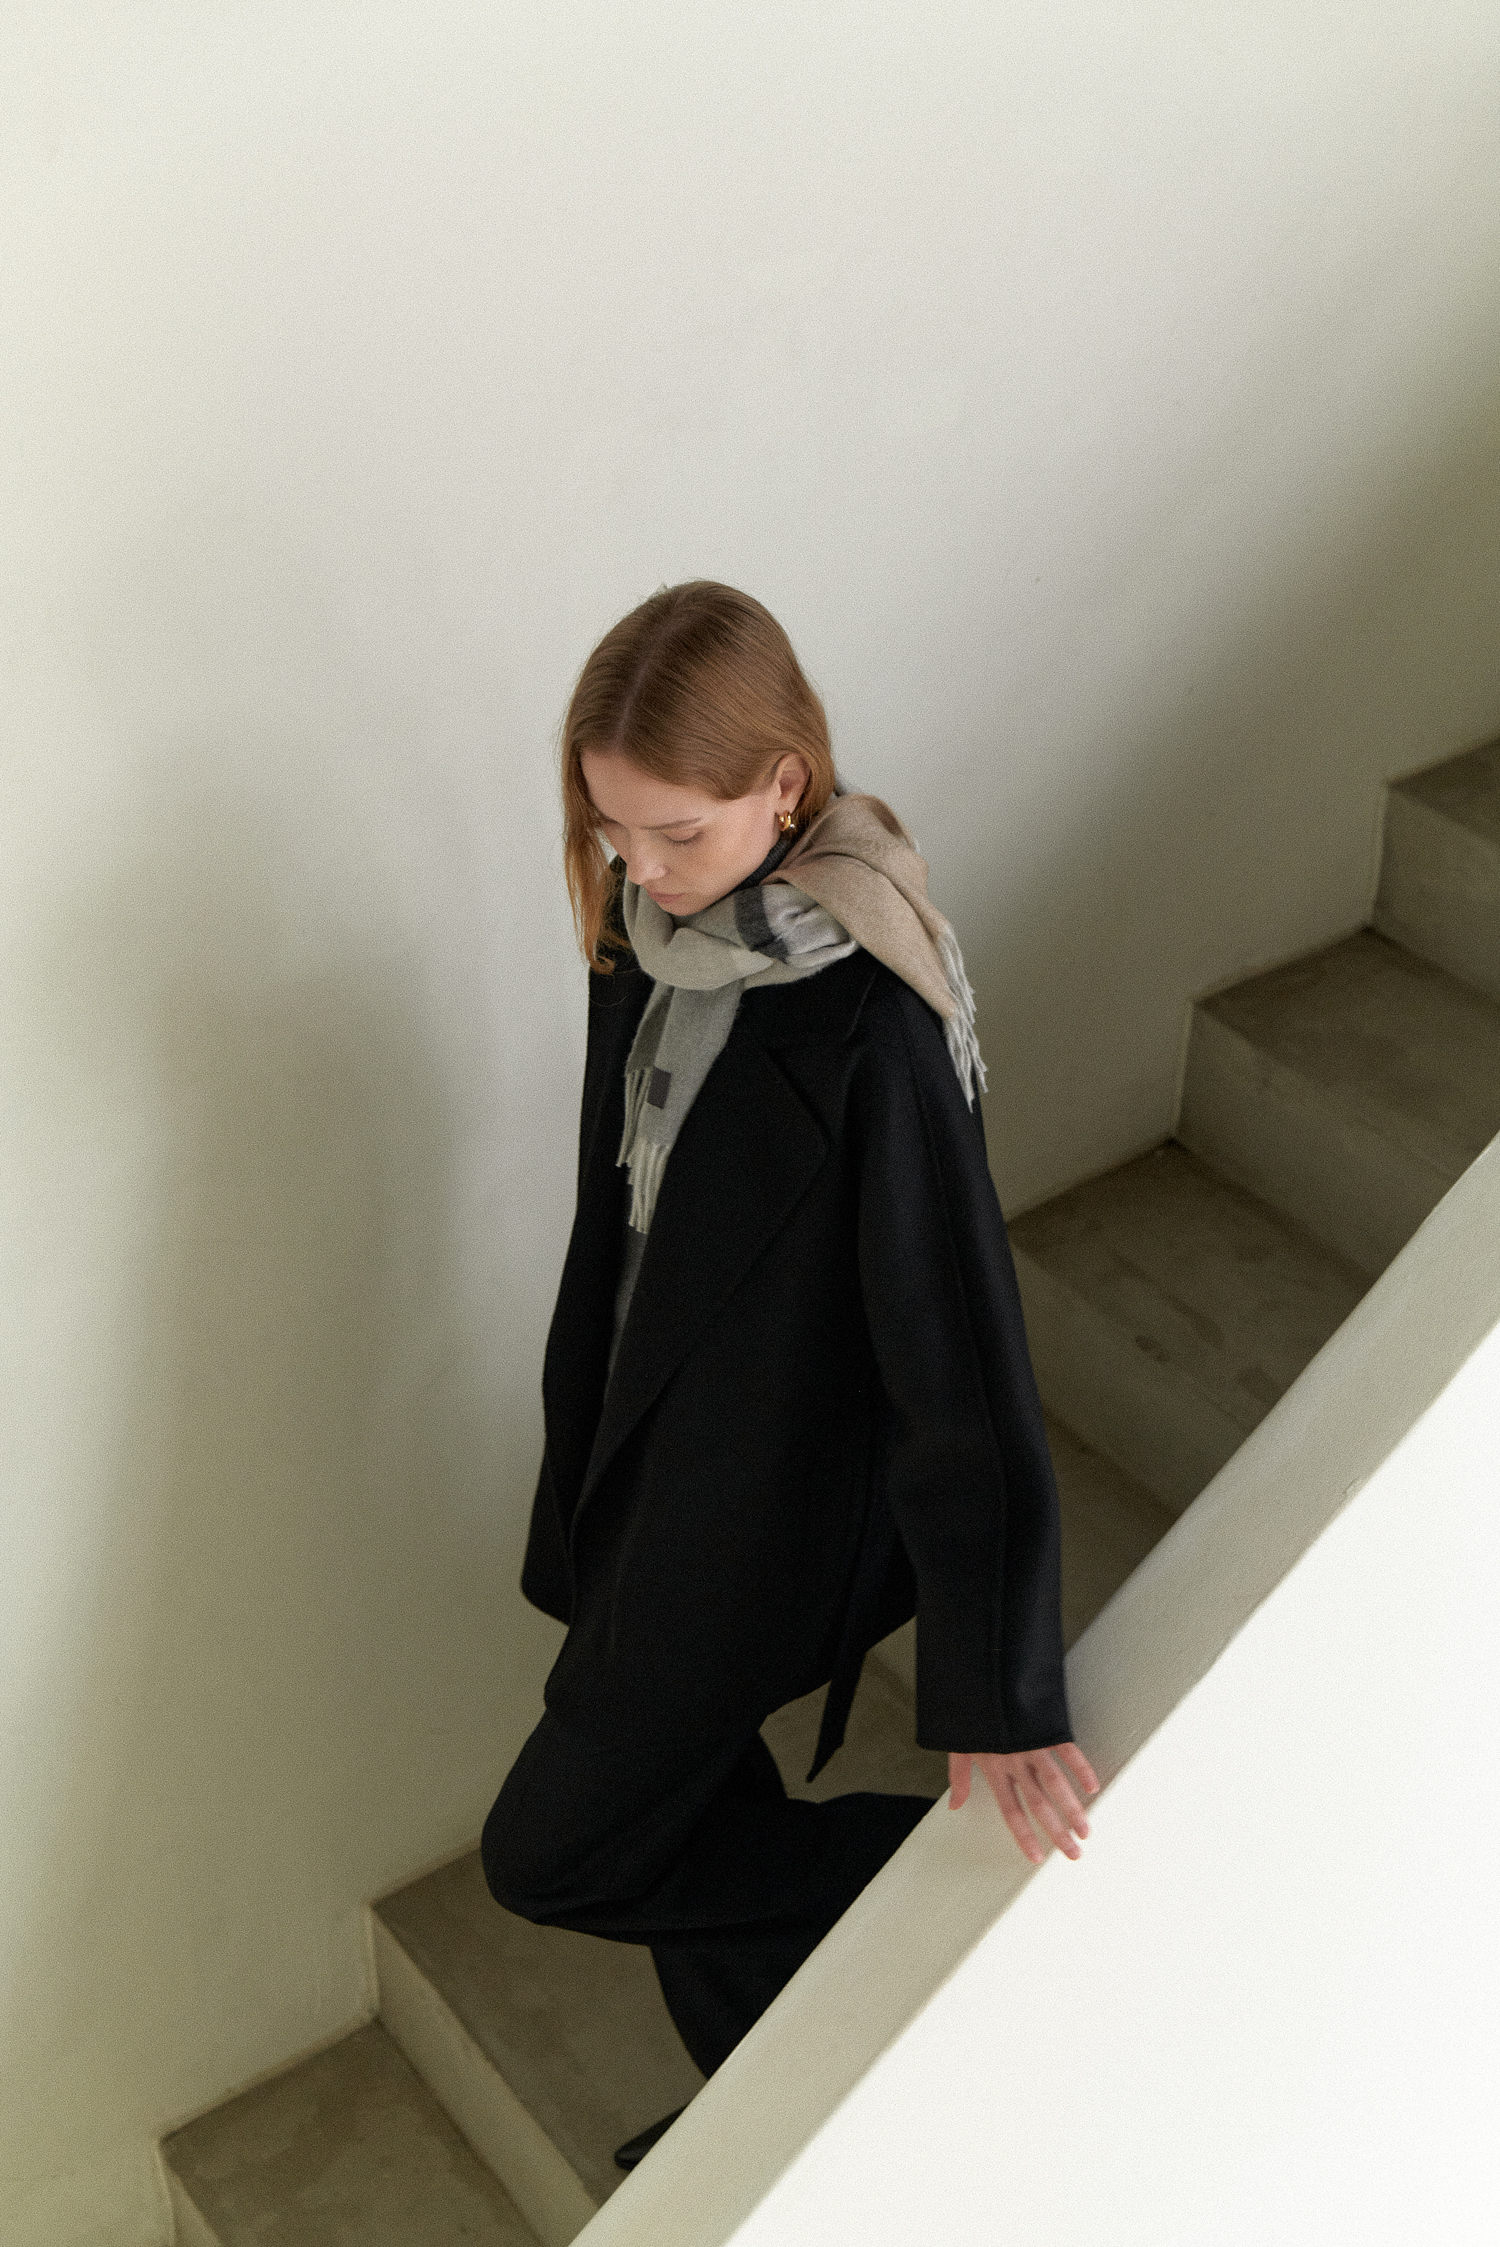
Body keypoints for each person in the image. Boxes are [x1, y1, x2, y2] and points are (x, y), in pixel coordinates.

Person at [482, 581, 1098, 2168]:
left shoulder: (870, 1024)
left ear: (784, 785)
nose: (640, 866)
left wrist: (996, 1684)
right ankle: (764, 2124)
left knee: (554, 1854)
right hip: (637, 1454)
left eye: (675, 831)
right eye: (613, 829)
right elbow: (622, 1232)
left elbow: (955, 1348)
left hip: (756, 1512)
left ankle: (927, 1879)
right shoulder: (649, 943)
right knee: (693, 1820)